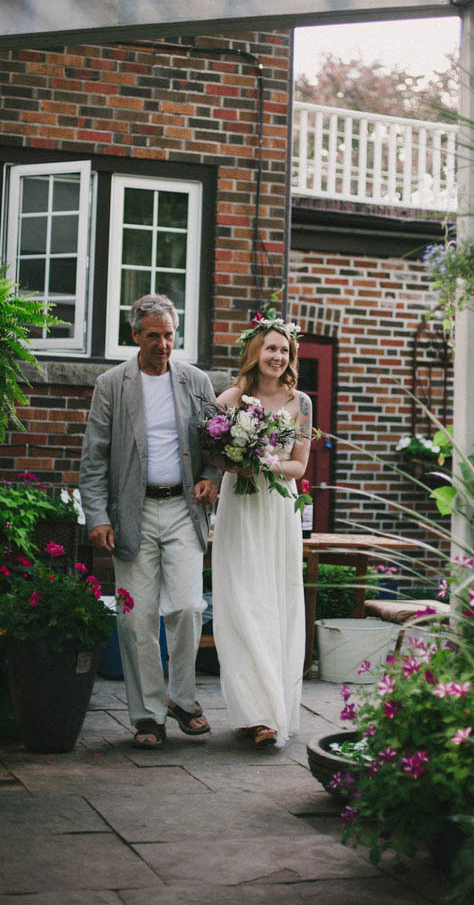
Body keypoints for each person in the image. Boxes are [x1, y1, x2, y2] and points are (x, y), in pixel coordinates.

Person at [79, 294, 219, 749]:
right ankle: (147, 716)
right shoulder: (112, 384)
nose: (162, 344)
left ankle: (181, 699)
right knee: (136, 619)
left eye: (169, 335)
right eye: (153, 335)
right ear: (135, 336)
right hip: (131, 513)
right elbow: (94, 456)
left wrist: (210, 477)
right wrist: (97, 515)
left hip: (182, 509)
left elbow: (217, 444)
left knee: (187, 607)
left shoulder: (196, 382)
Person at [212, 316, 312, 747]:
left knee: (278, 598)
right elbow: (212, 450)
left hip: (277, 506)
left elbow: (300, 465)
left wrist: (268, 463)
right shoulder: (233, 397)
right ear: (255, 352)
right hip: (240, 504)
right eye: (271, 348)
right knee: (244, 600)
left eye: (284, 351)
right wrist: (238, 461)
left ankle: (275, 710)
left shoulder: (300, 403)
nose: (278, 357)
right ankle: (253, 712)